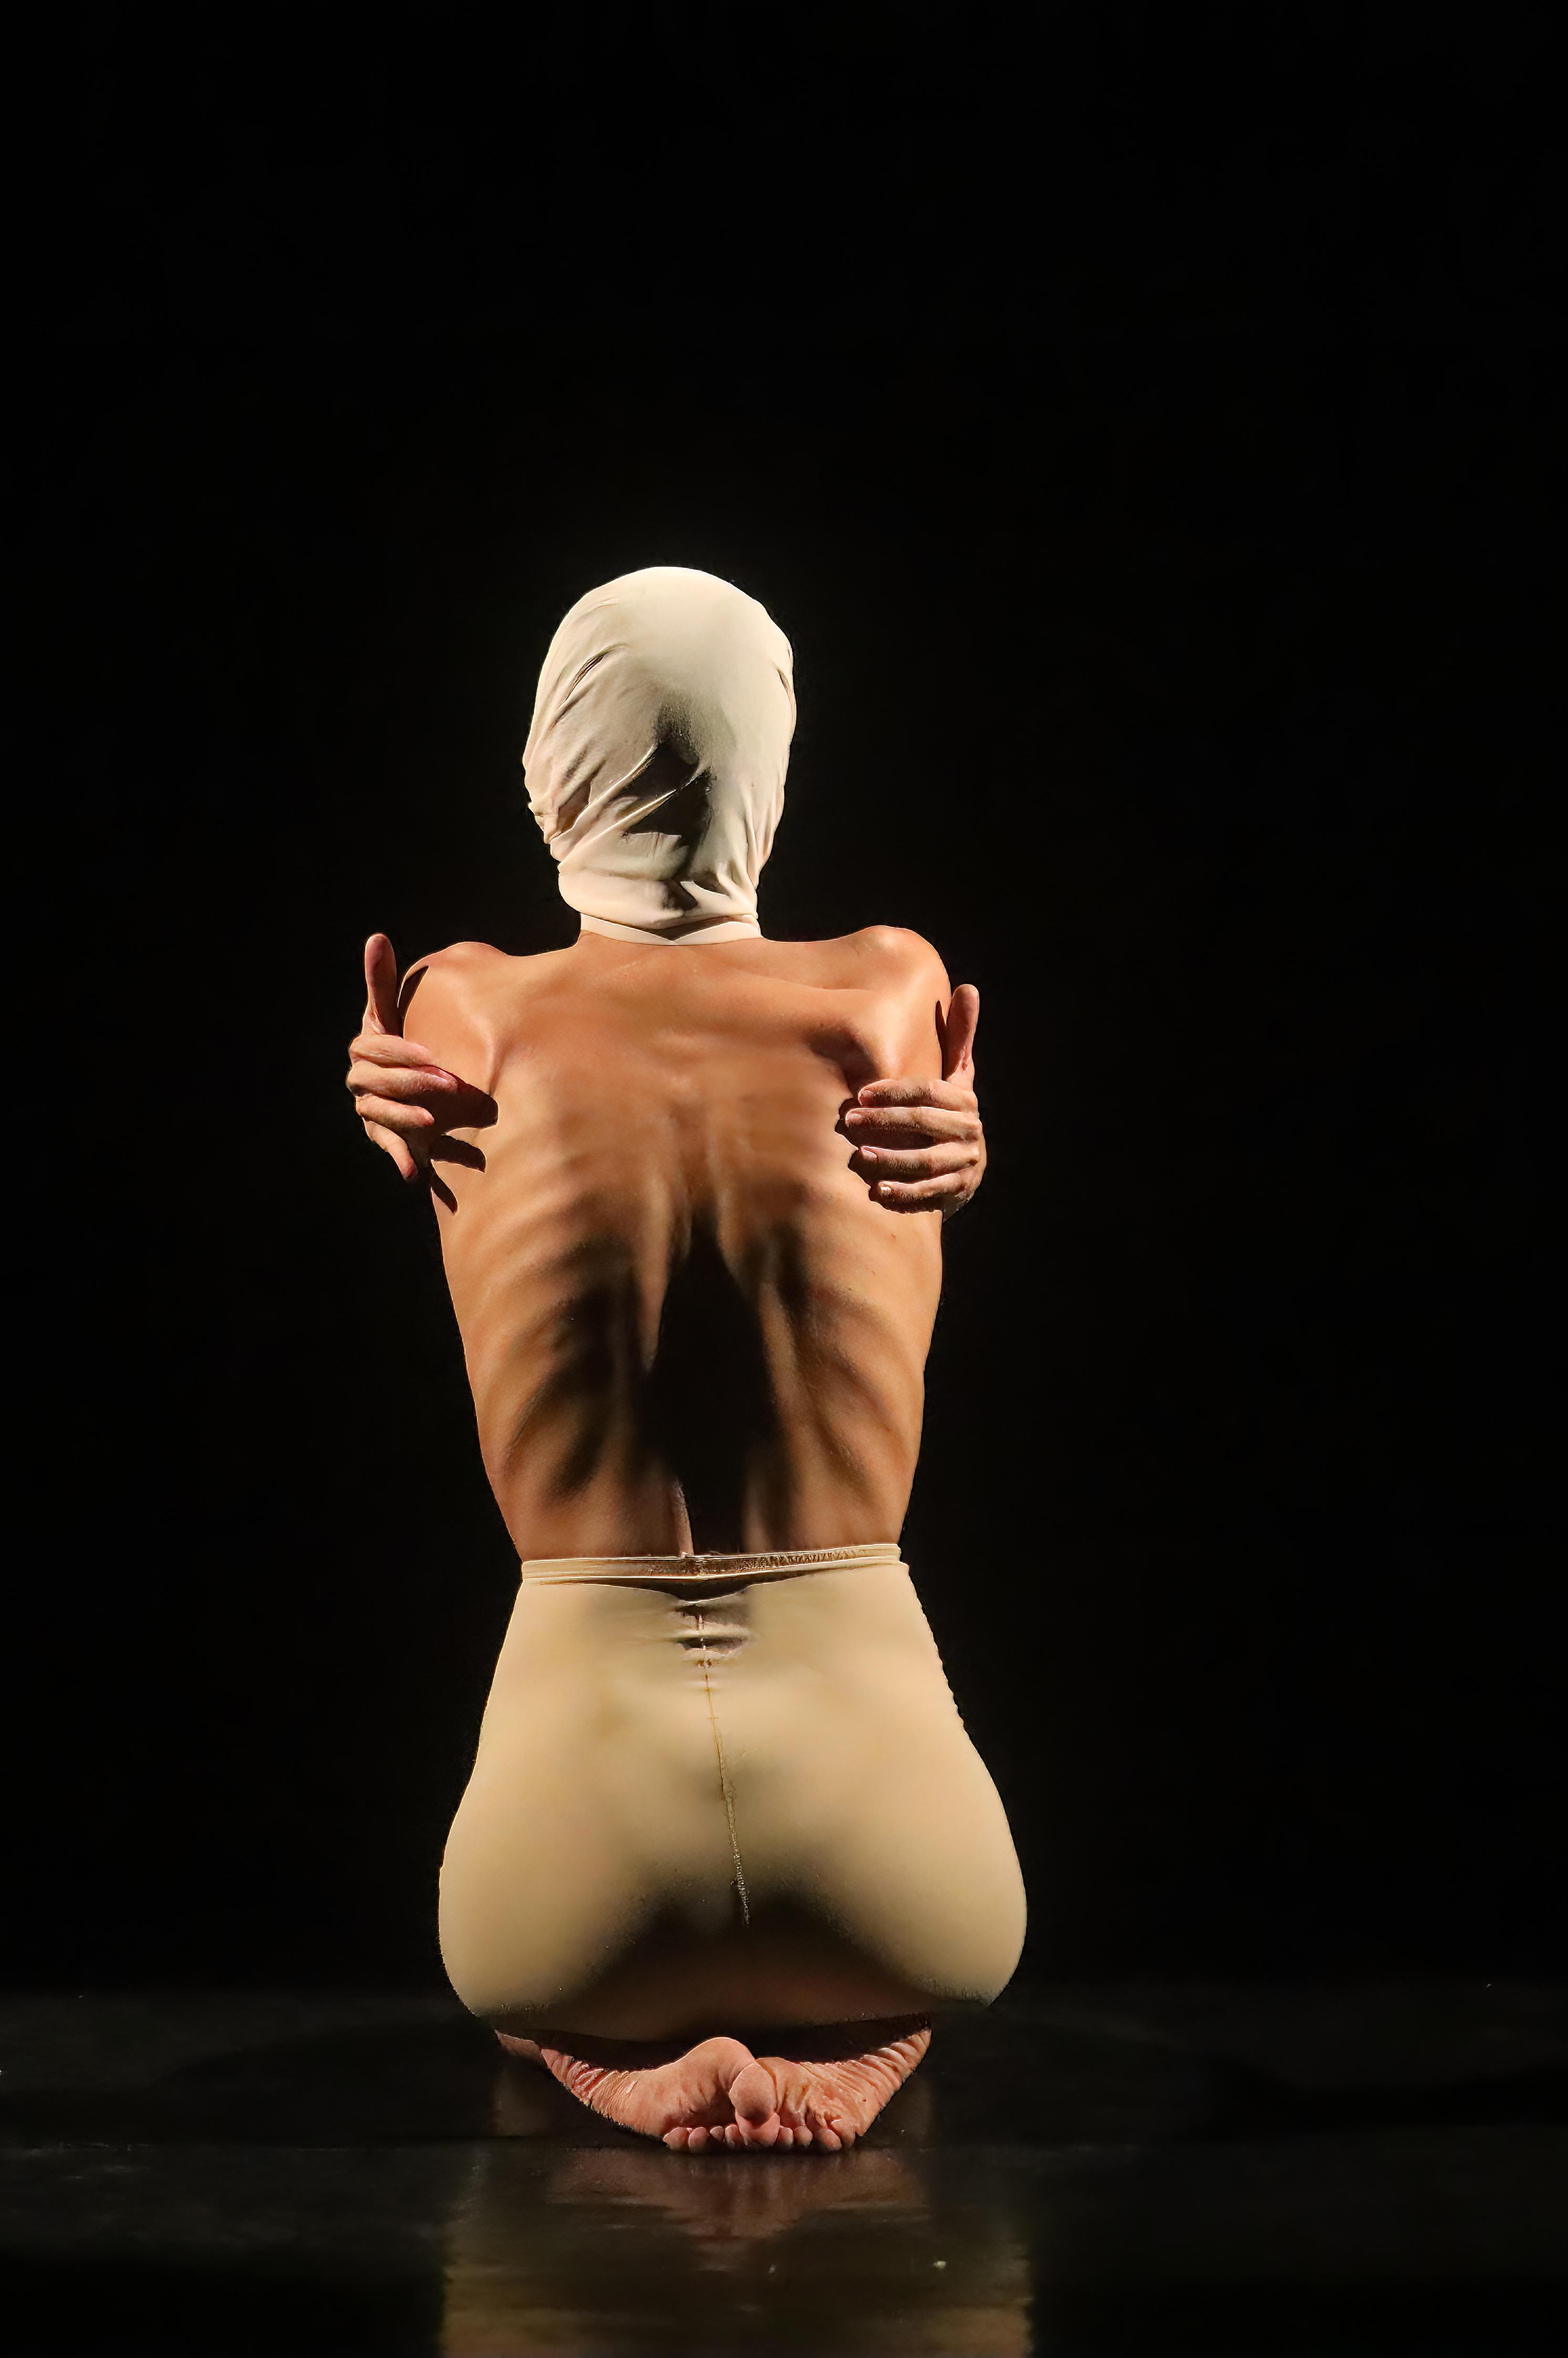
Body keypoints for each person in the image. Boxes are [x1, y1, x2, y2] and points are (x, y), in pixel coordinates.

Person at [343, 566, 1016, 2152]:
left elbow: (422, 1086)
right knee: (938, 1958)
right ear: (771, 766)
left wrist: (372, 1072)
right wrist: (973, 1141)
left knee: (518, 1982)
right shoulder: (892, 988)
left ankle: (604, 2060)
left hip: (567, 1881)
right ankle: (872, 2041)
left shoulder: (460, 1006)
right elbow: (920, 1128)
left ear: (551, 765)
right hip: (906, 1863)